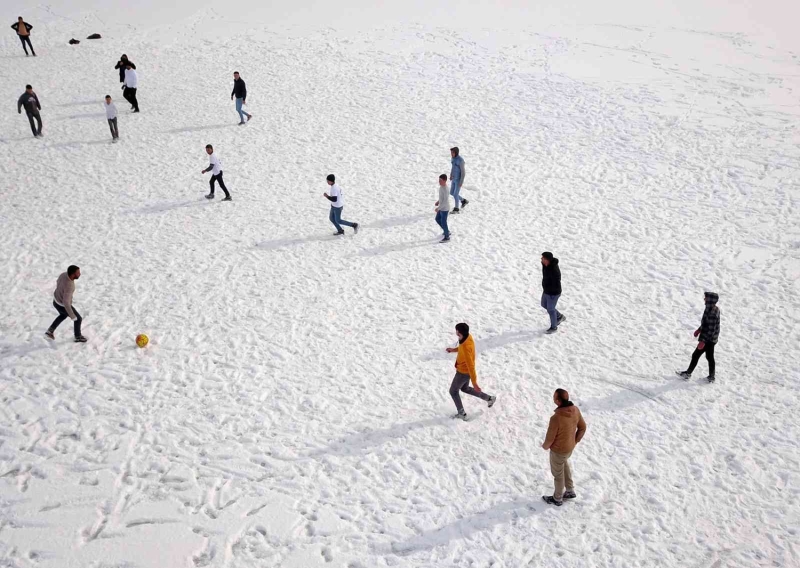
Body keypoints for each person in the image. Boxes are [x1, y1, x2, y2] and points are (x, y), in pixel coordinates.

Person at [541, 389, 586, 506]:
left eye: (554, 396)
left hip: (558, 451)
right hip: (569, 449)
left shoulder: (556, 418)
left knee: (558, 475)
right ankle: (570, 490)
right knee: (564, 465)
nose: (553, 398)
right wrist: (575, 441)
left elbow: (550, 439)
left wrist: (545, 446)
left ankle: (557, 498)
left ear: (557, 400)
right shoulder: (575, 410)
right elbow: (583, 427)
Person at [445, 323, 496, 420]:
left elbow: (471, 366)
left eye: (456, 330)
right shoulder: (467, 337)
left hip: (463, 373)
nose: (455, 331)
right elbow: (461, 348)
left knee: (453, 391)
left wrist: (475, 383)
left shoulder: (465, 347)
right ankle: (489, 398)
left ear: (459, 333)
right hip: (465, 373)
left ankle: (462, 414)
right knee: (465, 388)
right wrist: (453, 350)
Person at [677, 292, 720, 382]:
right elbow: (706, 324)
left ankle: (688, 374)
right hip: (711, 339)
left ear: (710, 300)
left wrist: (703, 341)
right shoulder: (711, 308)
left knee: (696, 355)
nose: (704, 299)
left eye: (706, 298)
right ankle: (711, 377)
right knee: (709, 357)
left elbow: (711, 330)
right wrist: (699, 330)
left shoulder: (712, 312)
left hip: (708, 339)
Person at [45, 265, 87, 343]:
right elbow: (66, 302)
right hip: (62, 305)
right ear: (72, 274)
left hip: (56, 301)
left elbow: (57, 282)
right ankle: (78, 336)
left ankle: (50, 331)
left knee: (63, 315)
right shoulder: (69, 286)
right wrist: (72, 316)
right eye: (78, 273)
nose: (80, 274)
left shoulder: (63, 274)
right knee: (78, 319)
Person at [541, 251, 565, 334]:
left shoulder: (554, 270)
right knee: (544, 304)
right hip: (546, 291)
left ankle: (553, 327)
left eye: (543, 258)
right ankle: (559, 316)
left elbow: (556, 283)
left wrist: (550, 292)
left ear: (547, 260)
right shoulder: (545, 264)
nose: (541, 259)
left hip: (553, 293)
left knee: (550, 309)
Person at [449, 147, 469, 214]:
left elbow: (463, 172)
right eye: (451, 152)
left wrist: (461, 182)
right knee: (452, 192)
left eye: (453, 152)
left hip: (458, 180)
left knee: (455, 194)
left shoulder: (460, 160)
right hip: (453, 179)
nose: (451, 154)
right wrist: (451, 175)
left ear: (456, 152)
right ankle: (463, 201)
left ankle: (456, 209)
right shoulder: (453, 159)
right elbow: (453, 167)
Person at [435, 174, 451, 243]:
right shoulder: (441, 187)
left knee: (444, 222)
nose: (439, 182)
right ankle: (446, 231)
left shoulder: (446, 190)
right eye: (439, 180)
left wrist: (438, 208)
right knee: (437, 219)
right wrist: (438, 201)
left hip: (444, 209)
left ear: (445, 180)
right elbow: (442, 198)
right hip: (441, 207)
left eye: (440, 180)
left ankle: (447, 237)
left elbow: (445, 202)